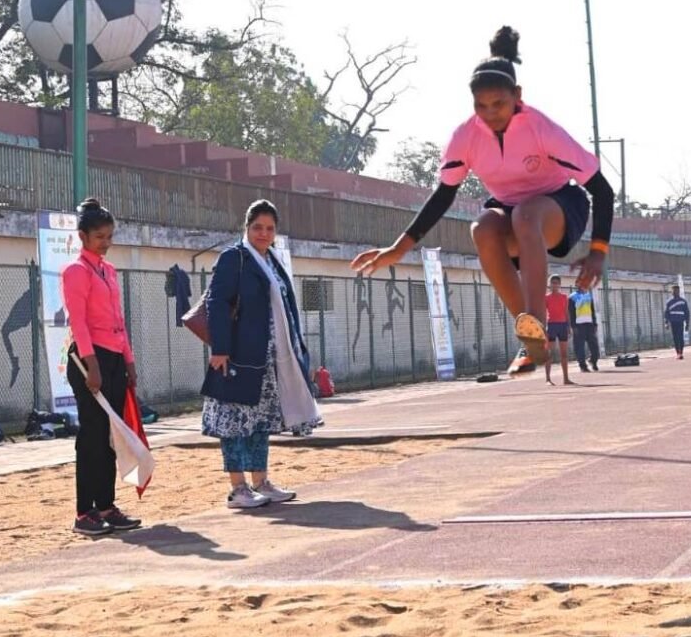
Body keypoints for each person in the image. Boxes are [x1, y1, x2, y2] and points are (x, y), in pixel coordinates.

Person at [349, 26, 615, 371]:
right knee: (482, 228)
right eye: (481, 106)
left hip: (559, 205)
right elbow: (444, 194)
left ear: (518, 95)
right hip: (509, 208)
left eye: (499, 104)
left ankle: (537, 320)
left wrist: (598, 253)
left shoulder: (542, 129)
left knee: (525, 215)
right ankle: (530, 336)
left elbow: (602, 190)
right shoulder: (466, 137)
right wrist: (400, 247)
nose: (491, 114)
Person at [201, 199, 321, 508]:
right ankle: (238, 488)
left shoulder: (271, 261)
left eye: (269, 229)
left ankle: (260, 481)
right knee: (234, 421)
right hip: (237, 356)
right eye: (257, 227)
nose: (263, 234)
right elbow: (217, 302)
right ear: (246, 227)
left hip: (268, 360)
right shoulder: (234, 258)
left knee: (260, 422)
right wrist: (220, 349)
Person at [62, 198, 142, 537]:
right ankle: (85, 512)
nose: (106, 243)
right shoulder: (75, 272)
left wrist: (129, 361)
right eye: (99, 237)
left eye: (109, 236)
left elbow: (119, 321)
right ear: (83, 237)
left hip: (112, 358)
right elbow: (78, 321)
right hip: (86, 359)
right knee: (91, 436)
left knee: (110, 437)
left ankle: (107, 505)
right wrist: (92, 365)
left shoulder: (107, 271)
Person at [544, 275, 573, 385]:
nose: (555, 285)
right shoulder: (546, 297)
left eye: (557, 283)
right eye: (553, 283)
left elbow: (566, 312)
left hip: (562, 326)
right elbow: (543, 312)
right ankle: (548, 379)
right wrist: (544, 327)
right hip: (551, 325)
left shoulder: (564, 297)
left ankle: (566, 378)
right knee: (549, 353)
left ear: (560, 284)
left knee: (564, 354)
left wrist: (569, 326)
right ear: (549, 284)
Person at [568, 285, 600, 372]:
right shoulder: (572, 297)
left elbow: (592, 311)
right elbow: (571, 313)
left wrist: (595, 323)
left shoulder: (589, 296)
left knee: (594, 346)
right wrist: (573, 326)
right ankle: (583, 366)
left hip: (589, 325)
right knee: (579, 347)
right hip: (579, 326)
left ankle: (593, 361)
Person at [664, 284, 690, 359]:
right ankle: (678, 353)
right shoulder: (669, 302)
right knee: (675, 337)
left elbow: (687, 313)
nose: (675, 292)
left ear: (679, 291)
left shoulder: (683, 301)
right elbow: (666, 313)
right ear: (671, 292)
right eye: (673, 291)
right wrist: (666, 323)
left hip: (680, 321)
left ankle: (681, 352)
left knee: (680, 337)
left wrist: (687, 324)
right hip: (673, 322)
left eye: (676, 290)